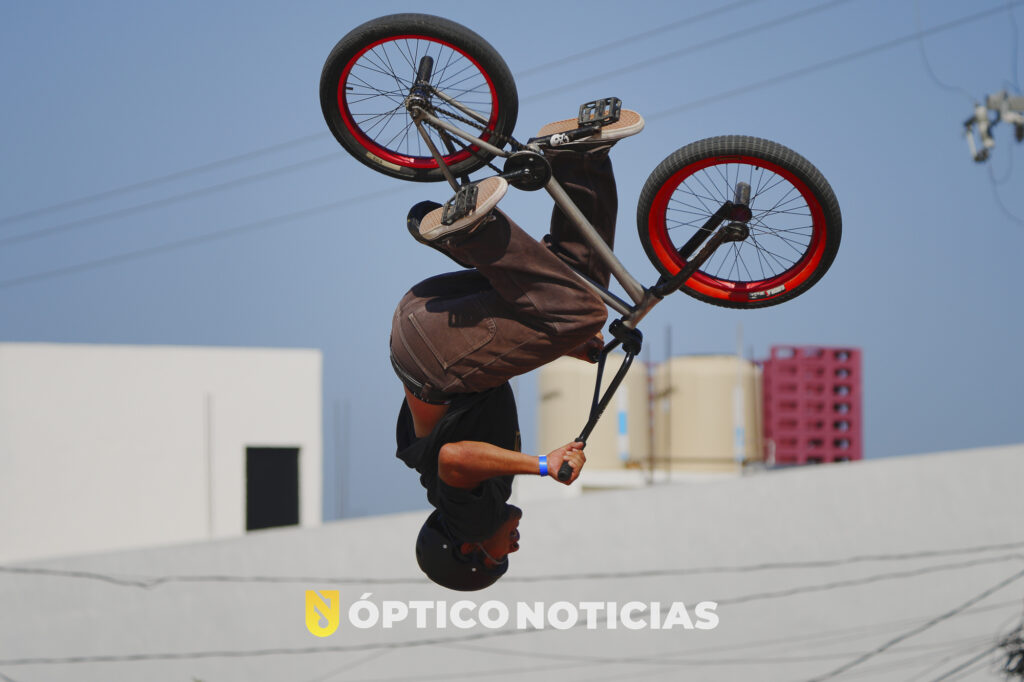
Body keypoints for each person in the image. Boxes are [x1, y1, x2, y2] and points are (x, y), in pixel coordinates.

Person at [391, 110, 645, 590]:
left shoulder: (469, 519)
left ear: (469, 550)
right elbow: (483, 378)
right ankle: (579, 157)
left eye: (499, 561)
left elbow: (454, 457)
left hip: (433, 350)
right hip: (430, 322)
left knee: (583, 313)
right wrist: (566, 347)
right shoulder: (488, 490)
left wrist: (544, 465)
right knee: (582, 286)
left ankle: (472, 233)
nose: (514, 549)